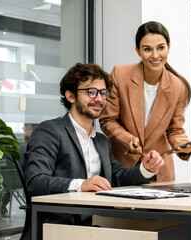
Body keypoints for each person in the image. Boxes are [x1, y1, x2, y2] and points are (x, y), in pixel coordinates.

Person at [24, 63, 164, 237]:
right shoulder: (50, 131)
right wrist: (81, 185)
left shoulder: (101, 141)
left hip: (96, 225)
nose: (99, 99)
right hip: (57, 230)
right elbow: (35, 181)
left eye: (103, 93)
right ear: (70, 96)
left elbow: (119, 177)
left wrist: (146, 169)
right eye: (91, 92)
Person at [99, 21, 191, 181]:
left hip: (160, 168)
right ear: (138, 51)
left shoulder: (178, 86)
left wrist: (184, 146)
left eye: (161, 47)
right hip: (124, 166)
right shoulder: (120, 74)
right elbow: (107, 120)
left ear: (169, 47)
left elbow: (175, 130)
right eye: (147, 49)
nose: (155, 55)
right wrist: (127, 140)